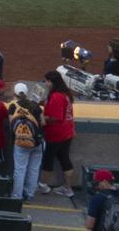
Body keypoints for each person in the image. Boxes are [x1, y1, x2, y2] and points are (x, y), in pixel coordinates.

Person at [42, 69, 81, 198]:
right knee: (64, 159)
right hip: (67, 132)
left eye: (47, 81)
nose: (46, 83)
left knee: (48, 159)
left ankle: (43, 185)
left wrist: (43, 117)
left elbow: (55, 118)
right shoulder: (65, 94)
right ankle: (68, 188)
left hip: (56, 134)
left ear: (53, 82)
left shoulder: (57, 96)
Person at [7, 82, 46, 201]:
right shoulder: (35, 105)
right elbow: (43, 123)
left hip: (20, 142)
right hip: (37, 141)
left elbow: (11, 124)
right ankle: (30, 194)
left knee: (20, 169)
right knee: (34, 169)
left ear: (15, 93)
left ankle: (16, 196)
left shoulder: (13, 106)